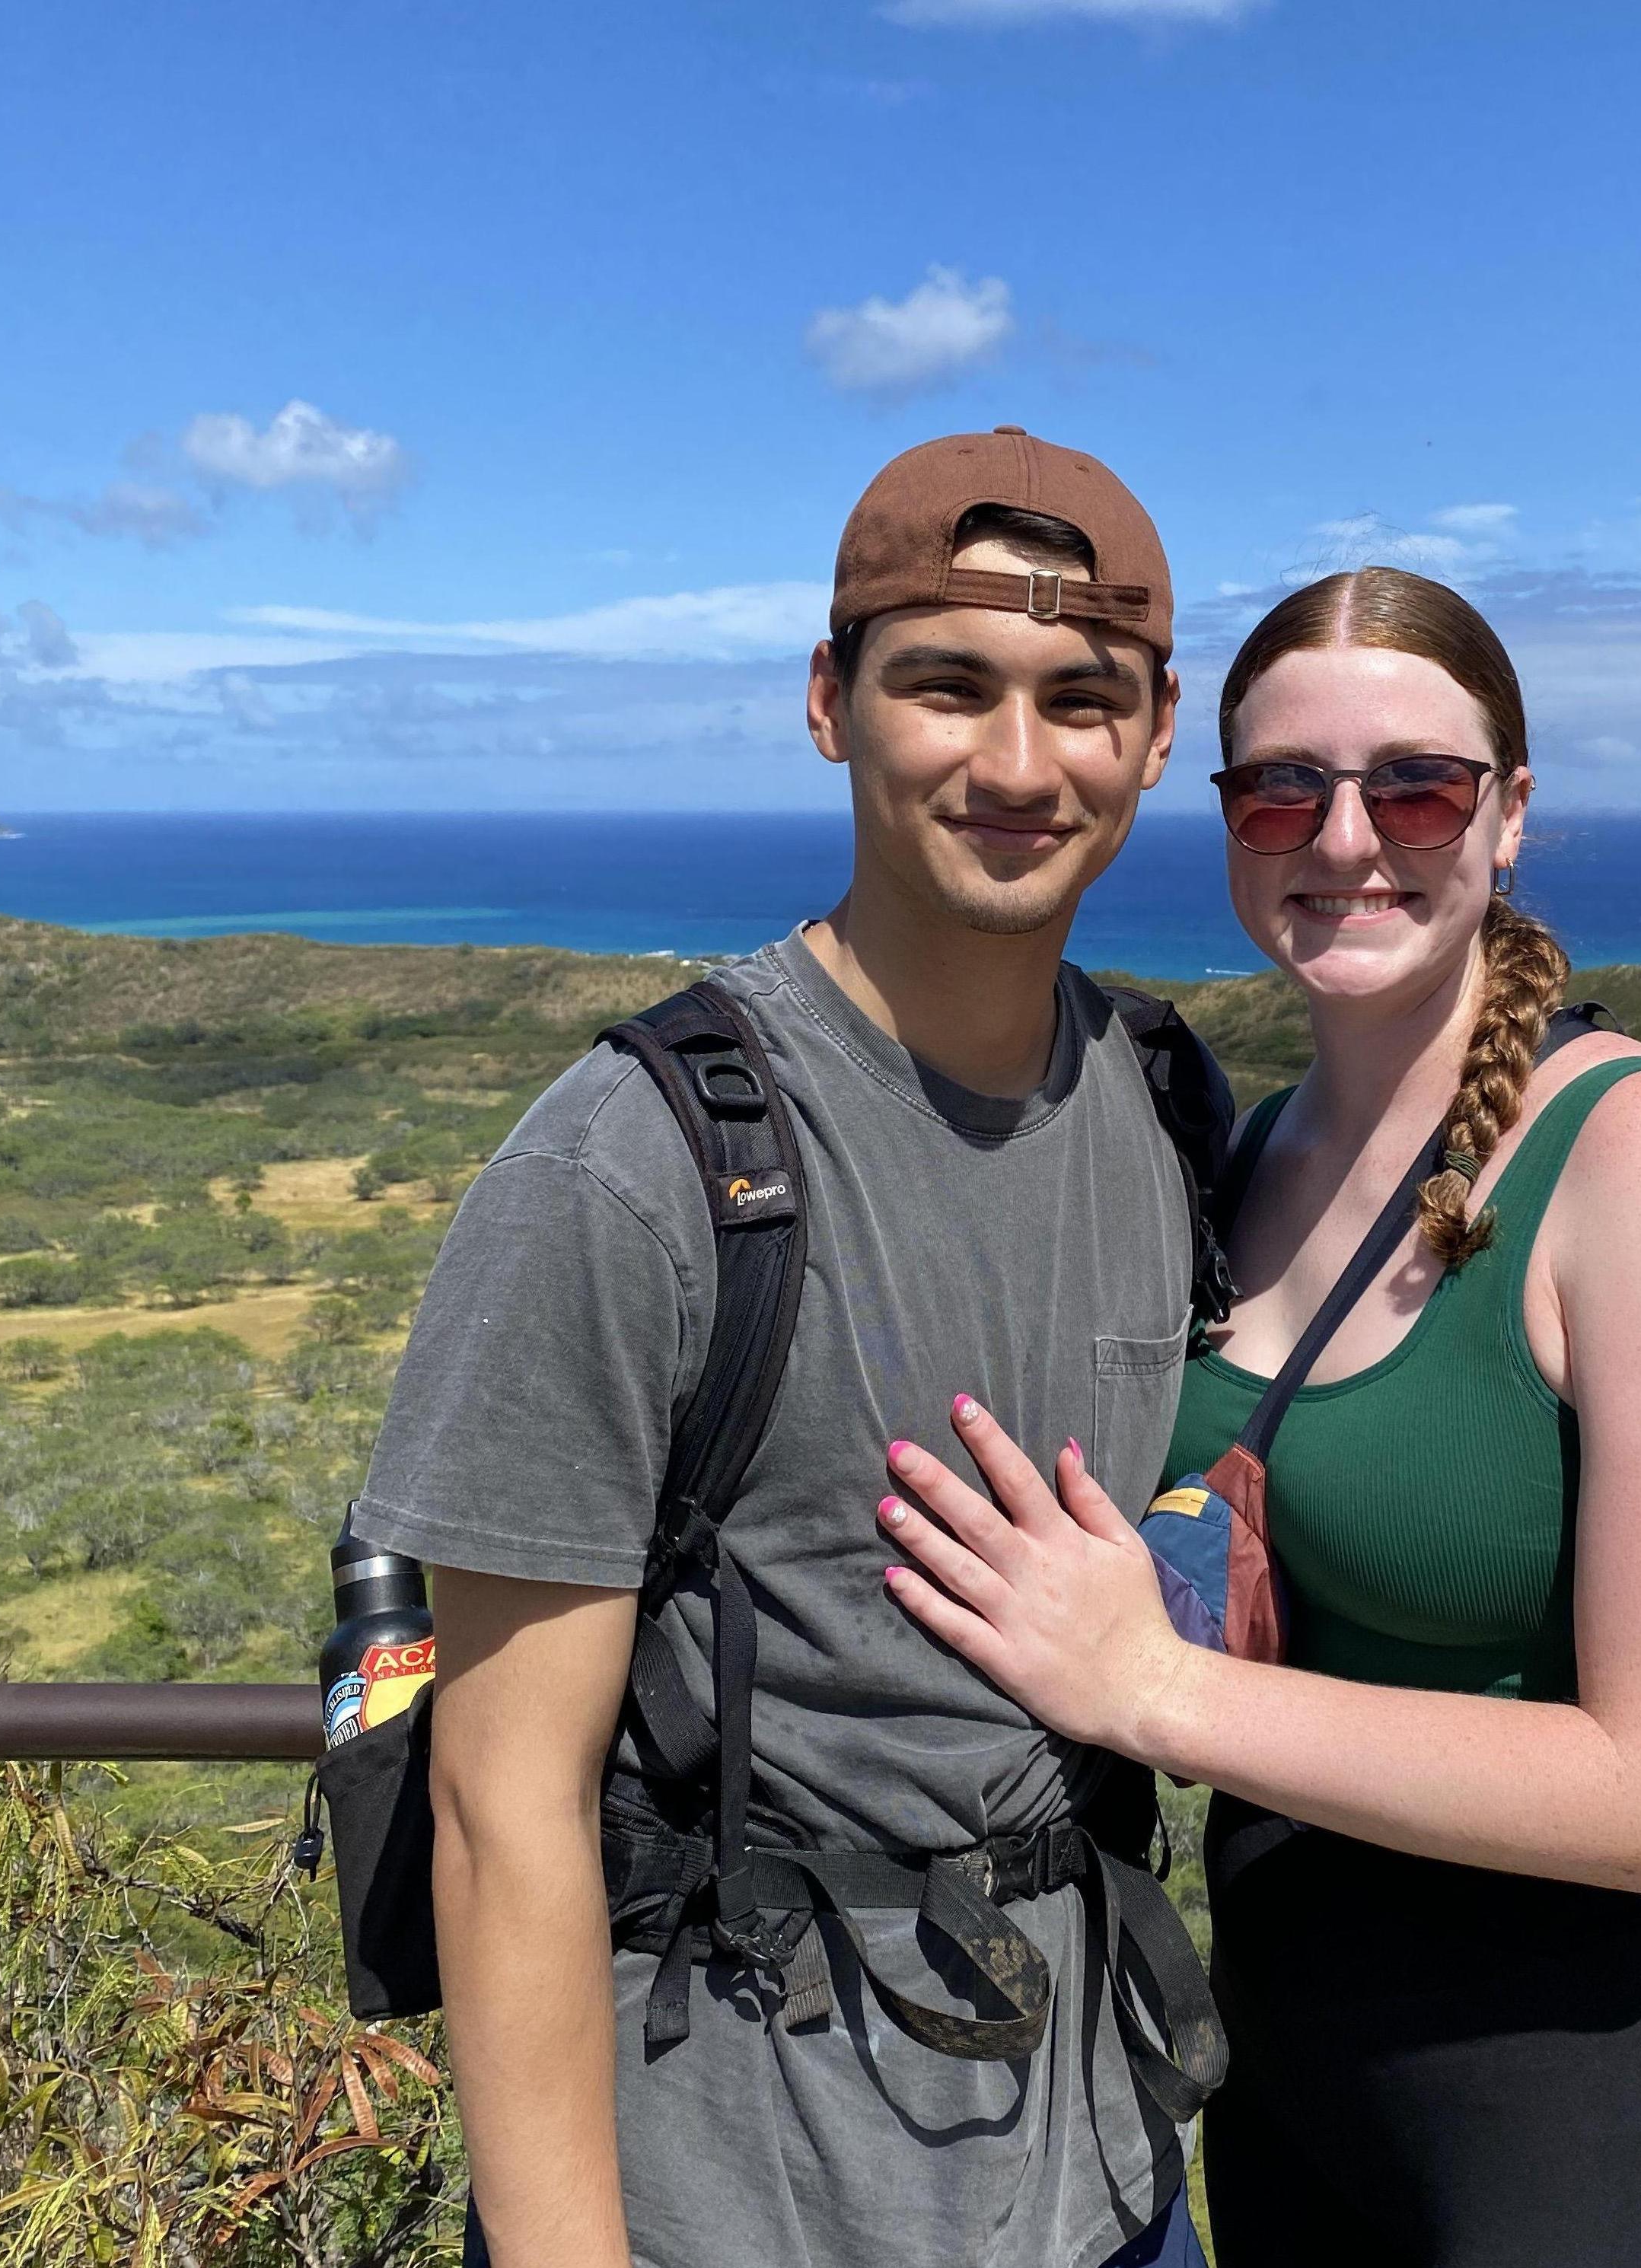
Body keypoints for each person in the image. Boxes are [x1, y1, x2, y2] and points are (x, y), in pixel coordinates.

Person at [875, 565, 1641, 2266]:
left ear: (1508, 813)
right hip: (1287, 2091)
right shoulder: (1244, 1157)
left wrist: (1149, 1685)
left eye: (1414, 783)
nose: (1344, 837)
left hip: (1584, 2125)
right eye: (1281, 788)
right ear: (1227, 816)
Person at [350, 428, 1218, 2268]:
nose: (1016, 759)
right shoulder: (635, 1165)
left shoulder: (1161, 1104)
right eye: (945, 685)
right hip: (746, 2206)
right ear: (830, 703)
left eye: (1082, 697)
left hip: (1113, 2178)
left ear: (1154, 736)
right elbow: (505, 1818)